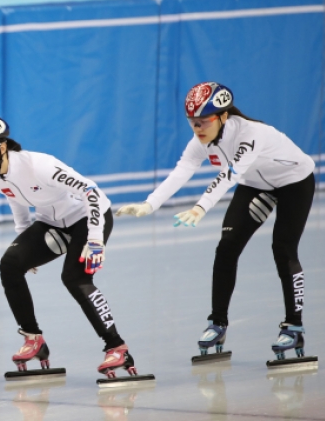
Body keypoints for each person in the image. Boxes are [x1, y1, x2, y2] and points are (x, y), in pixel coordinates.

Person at [116, 82, 316, 361]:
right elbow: (182, 170)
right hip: (256, 184)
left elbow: (230, 174)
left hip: (294, 181)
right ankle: (217, 323)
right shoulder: (201, 140)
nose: (198, 128)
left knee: (283, 248)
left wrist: (200, 208)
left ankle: (294, 325)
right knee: (227, 246)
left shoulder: (251, 133)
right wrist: (151, 203)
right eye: (192, 122)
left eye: (203, 121)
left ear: (222, 116)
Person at [0, 113, 148, 380]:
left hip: (88, 216)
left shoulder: (39, 165)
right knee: (10, 264)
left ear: (2, 146)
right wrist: (25, 241)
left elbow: (91, 191)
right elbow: (15, 198)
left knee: (75, 278)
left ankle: (117, 347)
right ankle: (33, 338)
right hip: (51, 222)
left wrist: (95, 238)